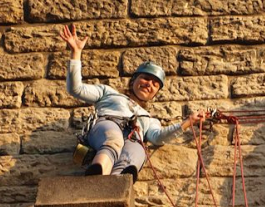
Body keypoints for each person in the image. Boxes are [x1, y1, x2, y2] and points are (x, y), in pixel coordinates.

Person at [59, 23, 197, 181]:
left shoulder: (149, 119)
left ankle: (116, 187)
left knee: (135, 154)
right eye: (145, 78)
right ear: (133, 81)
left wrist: (188, 122)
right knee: (113, 140)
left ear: (155, 94)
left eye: (155, 84)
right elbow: (76, 89)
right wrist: (75, 53)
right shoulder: (108, 93)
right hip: (108, 124)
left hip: (133, 137)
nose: (149, 84)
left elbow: (158, 137)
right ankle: (97, 178)